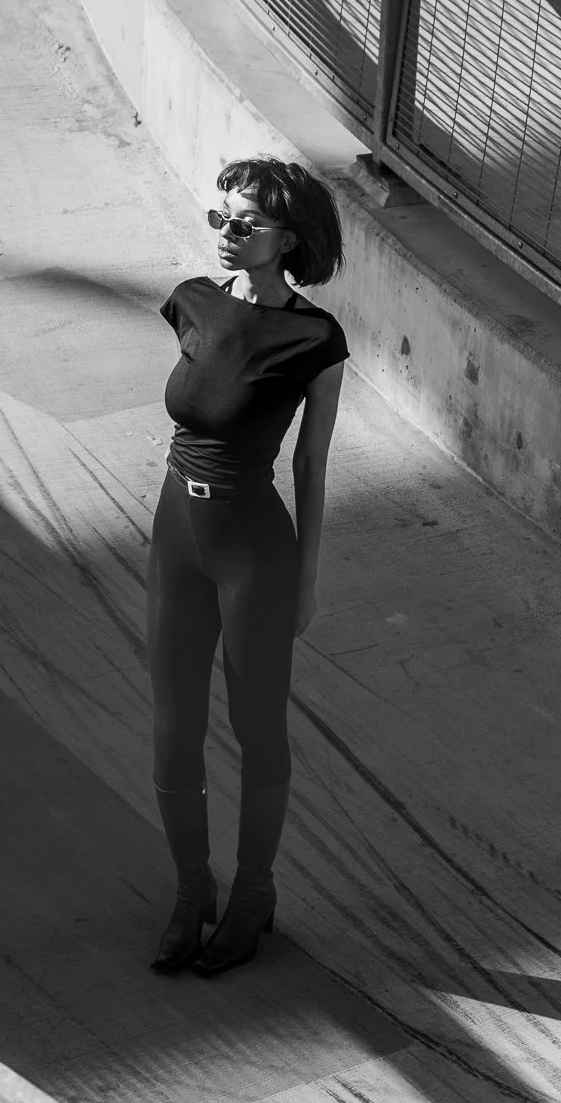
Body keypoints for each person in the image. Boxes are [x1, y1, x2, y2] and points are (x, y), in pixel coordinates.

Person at [147, 156, 348, 977]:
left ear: (287, 241)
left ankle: (254, 892)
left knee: (257, 726)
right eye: (218, 216)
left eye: (244, 223)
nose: (225, 233)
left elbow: (311, 467)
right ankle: (192, 890)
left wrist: (304, 579)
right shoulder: (191, 300)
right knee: (172, 726)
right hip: (174, 530)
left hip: (253, 550)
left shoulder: (315, 339)